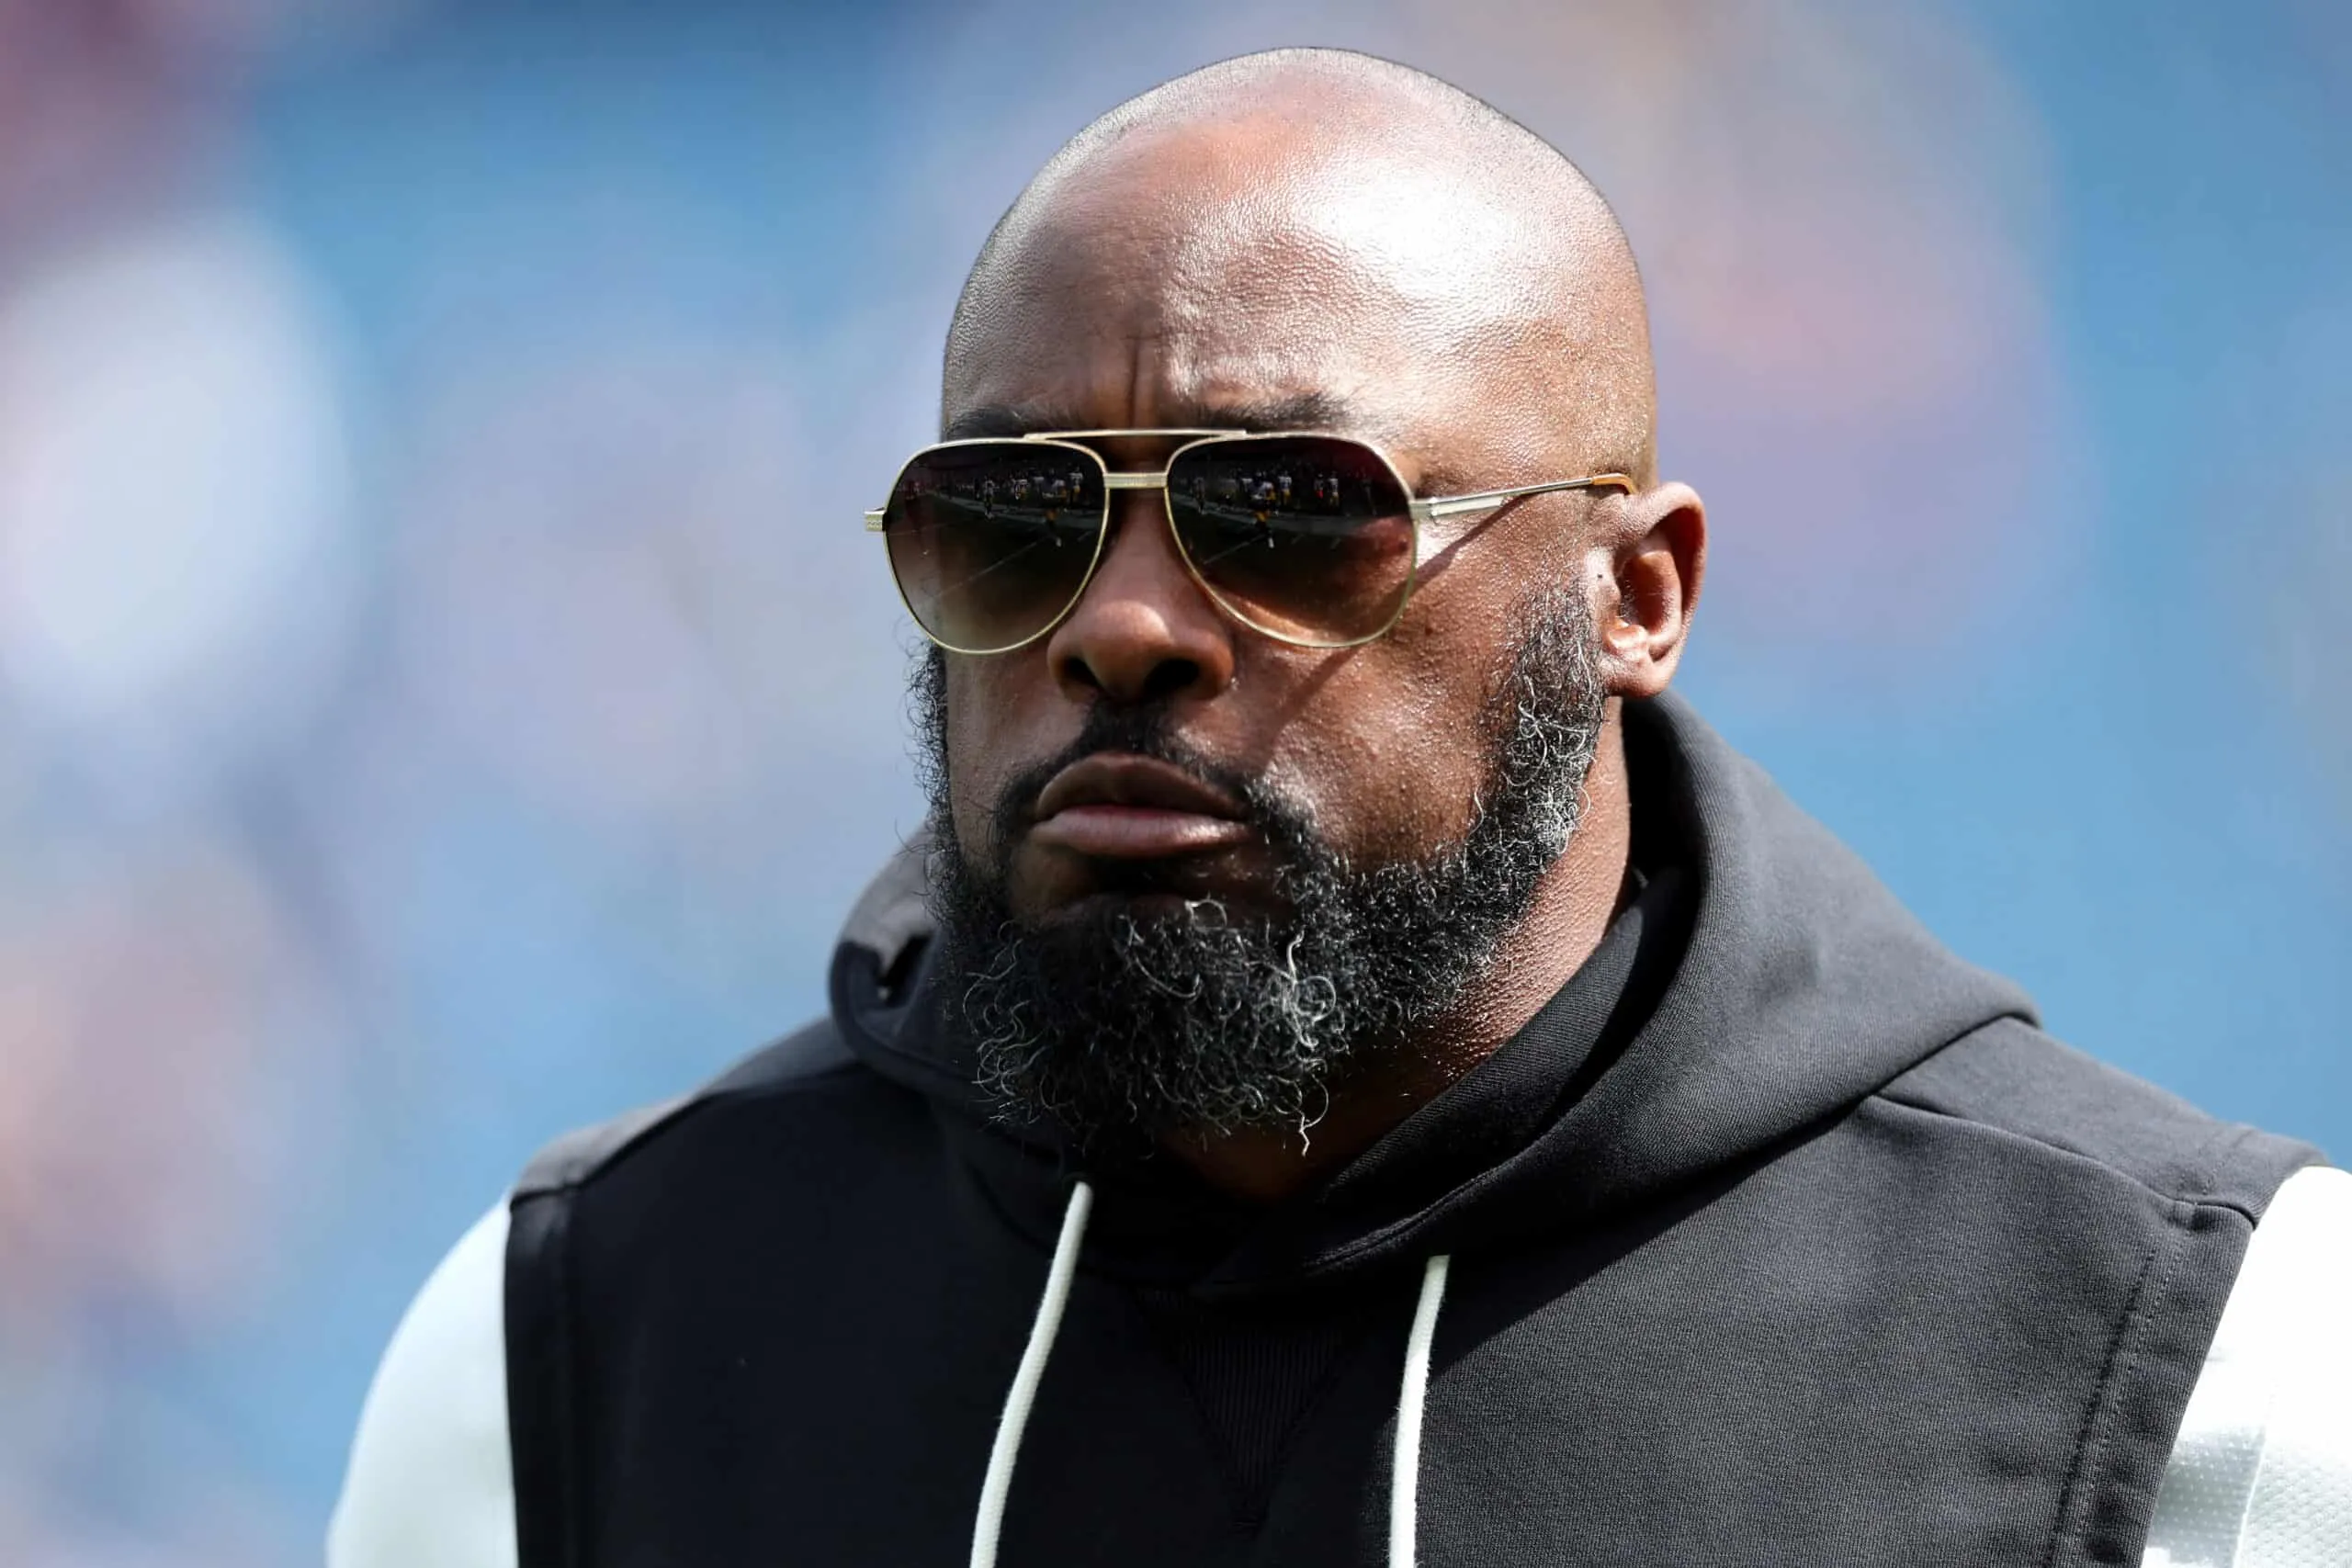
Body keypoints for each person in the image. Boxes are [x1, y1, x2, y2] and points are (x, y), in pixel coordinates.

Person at [328, 49, 2351, 1568]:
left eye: (1290, 513)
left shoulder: (2199, 1363)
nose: (1120, 628)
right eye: (1013, 522)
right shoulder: (573, 1338)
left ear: (1633, 596)